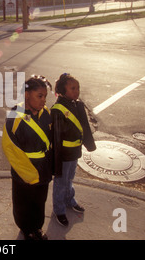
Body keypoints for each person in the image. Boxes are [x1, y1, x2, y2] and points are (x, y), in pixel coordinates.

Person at [2, 75, 53, 240]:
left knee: (39, 202)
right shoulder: (14, 116)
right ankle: (26, 230)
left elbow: (52, 141)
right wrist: (28, 173)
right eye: (40, 96)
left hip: (42, 168)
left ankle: (37, 228)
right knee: (23, 203)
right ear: (26, 95)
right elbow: (10, 147)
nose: (43, 100)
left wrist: (51, 165)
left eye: (45, 96)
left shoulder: (46, 114)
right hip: (24, 170)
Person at [51, 73, 96, 227]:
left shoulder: (77, 104)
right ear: (62, 91)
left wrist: (89, 145)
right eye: (72, 88)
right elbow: (56, 138)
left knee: (69, 179)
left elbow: (84, 127)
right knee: (61, 182)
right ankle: (59, 210)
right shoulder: (58, 109)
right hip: (63, 155)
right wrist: (56, 161)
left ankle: (70, 200)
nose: (77, 91)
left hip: (74, 153)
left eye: (78, 88)